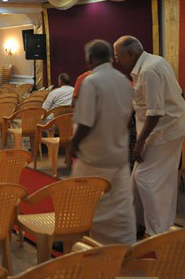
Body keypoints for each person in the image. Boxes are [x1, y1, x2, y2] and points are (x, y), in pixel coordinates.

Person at [114, 35, 185, 236]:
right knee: (139, 179)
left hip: (164, 132)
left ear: (130, 53)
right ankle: (138, 223)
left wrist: (139, 143)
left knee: (147, 180)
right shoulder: (156, 61)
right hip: (166, 129)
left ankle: (156, 232)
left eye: (118, 56)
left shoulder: (148, 70)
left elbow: (155, 112)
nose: (117, 60)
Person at [68, 40, 136, 244]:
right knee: (120, 208)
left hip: (94, 157)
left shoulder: (91, 82)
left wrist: (74, 143)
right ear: (110, 58)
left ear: (89, 59)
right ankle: (123, 249)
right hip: (118, 155)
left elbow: (85, 122)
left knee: (88, 207)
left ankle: (89, 248)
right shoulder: (124, 81)